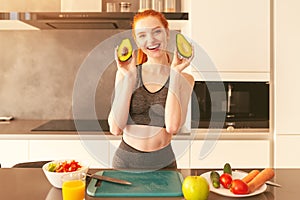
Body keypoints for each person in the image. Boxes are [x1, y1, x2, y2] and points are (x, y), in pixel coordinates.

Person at [108, 10, 194, 170]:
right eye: (142, 35)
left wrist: (174, 75)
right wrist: (129, 79)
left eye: (157, 32)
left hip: (164, 164)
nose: (151, 40)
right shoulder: (125, 73)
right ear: (137, 41)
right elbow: (115, 128)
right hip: (125, 162)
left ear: (167, 33)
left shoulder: (185, 79)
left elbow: (173, 127)